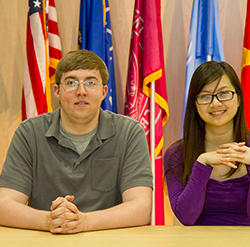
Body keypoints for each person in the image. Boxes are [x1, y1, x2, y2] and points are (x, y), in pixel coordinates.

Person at [0, 50, 153, 233]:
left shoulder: (129, 132)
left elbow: (141, 208)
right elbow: (4, 205)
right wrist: (49, 220)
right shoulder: (29, 132)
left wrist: (84, 222)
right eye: (71, 82)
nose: (81, 91)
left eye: (91, 83)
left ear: (104, 91)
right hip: (47, 242)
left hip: (109, 242)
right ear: (57, 91)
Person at [164, 61, 250, 226]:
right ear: (195, 105)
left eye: (224, 93)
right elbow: (186, 218)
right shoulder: (177, 154)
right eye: (205, 96)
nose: (215, 103)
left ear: (238, 99)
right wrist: (202, 164)